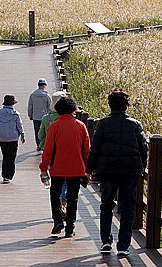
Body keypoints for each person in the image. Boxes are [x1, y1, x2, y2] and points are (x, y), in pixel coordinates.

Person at [86, 88, 148, 257]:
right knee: (128, 207)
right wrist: (142, 166)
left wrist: (88, 170)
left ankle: (106, 241)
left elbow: (95, 148)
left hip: (108, 170)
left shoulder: (103, 124)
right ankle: (123, 246)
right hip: (130, 170)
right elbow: (144, 148)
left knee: (107, 204)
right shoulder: (135, 124)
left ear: (110, 105)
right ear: (127, 105)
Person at [39, 94, 90, 238]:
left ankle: (57, 221)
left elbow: (48, 150)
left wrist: (44, 168)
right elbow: (87, 150)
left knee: (55, 194)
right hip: (77, 168)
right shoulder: (81, 126)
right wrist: (88, 170)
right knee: (73, 197)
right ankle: (70, 227)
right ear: (73, 110)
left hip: (58, 167)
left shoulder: (54, 126)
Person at [0, 95, 25, 183]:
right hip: (13, 138)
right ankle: (8, 175)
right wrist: (22, 135)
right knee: (11, 157)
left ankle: (4, 174)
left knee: (5, 156)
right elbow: (19, 126)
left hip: (2, 138)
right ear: (12, 104)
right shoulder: (15, 114)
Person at [27, 78, 53, 151]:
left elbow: (30, 106)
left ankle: (38, 145)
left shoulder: (32, 95)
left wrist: (30, 115)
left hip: (35, 116)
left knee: (37, 131)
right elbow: (49, 107)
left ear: (38, 85)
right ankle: (43, 145)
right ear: (44, 86)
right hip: (45, 117)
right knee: (45, 131)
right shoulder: (47, 96)